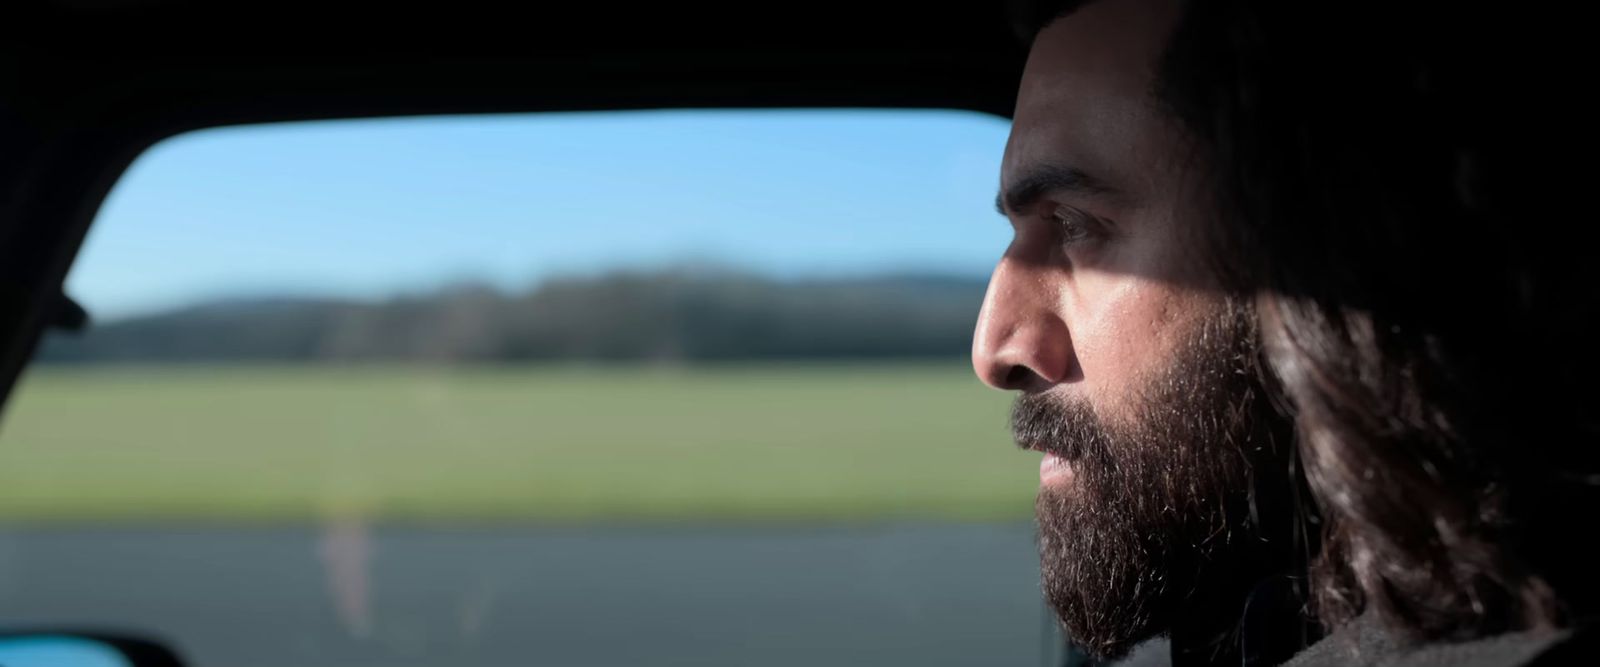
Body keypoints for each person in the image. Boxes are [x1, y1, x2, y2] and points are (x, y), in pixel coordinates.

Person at [973, 1, 1597, 664]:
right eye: (1017, 235)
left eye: (1074, 224)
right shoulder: (1252, 620)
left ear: (1328, 253)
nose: (994, 347)